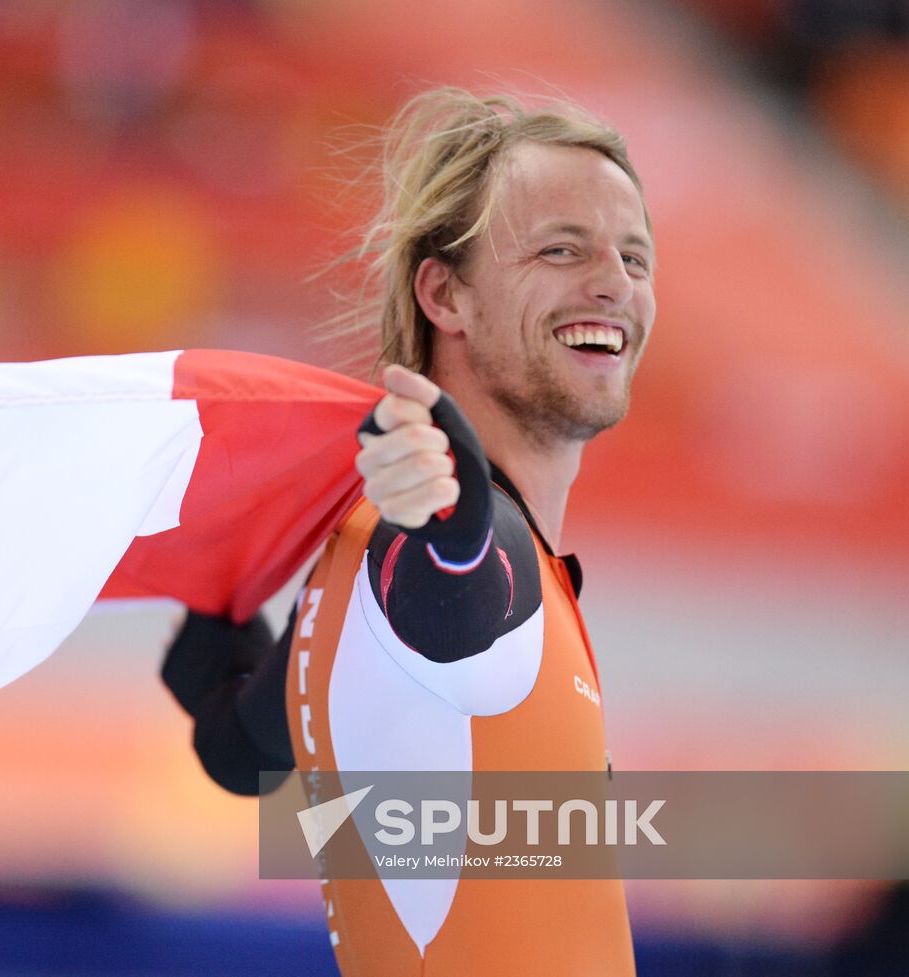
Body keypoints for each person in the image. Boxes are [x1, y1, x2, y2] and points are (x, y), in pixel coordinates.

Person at [161, 86, 655, 976]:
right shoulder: (438, 548)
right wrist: (444, 507)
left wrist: (220, 654)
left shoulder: (357, 570)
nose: (615, 283)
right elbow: (455, 568)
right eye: (561, 249)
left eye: (635, 258)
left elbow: (243, 752)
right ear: (444, 294)